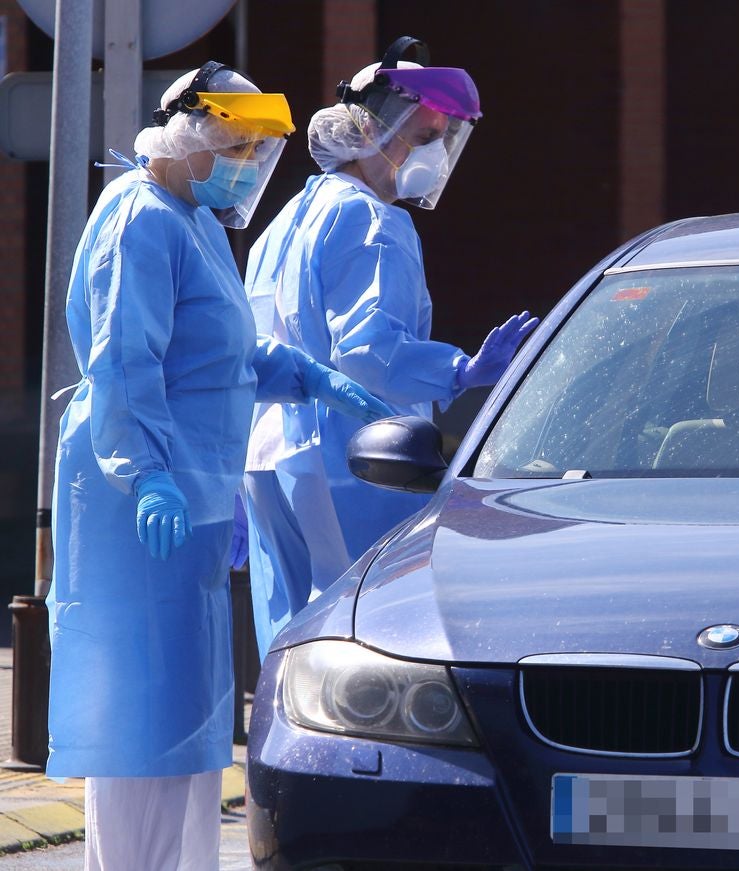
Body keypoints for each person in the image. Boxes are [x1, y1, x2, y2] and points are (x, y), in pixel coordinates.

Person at [46, 64, 393, 870]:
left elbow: (217, 352)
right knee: (141, 716)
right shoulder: (140, 218)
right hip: (138, 497)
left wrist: (305, 374)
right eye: (236, 145)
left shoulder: (194, 220)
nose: (245, 165)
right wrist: (148, 474)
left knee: (191, 719)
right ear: (189, 137)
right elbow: (126, 363)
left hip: (186, 497)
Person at [242, 37, 537, 659]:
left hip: (270, 454)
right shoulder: (375, 221)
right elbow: (366, 350)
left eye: (445, 135)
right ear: (372, 130)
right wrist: (460, 371)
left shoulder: (290, 216)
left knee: (286, 642)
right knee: (355, 641)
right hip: (349, 460)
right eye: (425, 133)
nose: (436, 150)